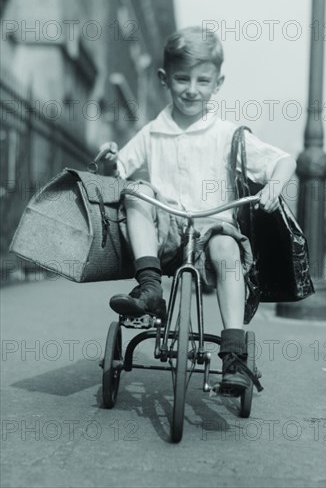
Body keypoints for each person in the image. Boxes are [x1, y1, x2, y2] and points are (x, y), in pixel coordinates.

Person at [100, 26, 296, 393]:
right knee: (136, 190)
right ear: (164, 79)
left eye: (202, 80)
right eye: (182, 78)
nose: (192, 89)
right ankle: (150, 287)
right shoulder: (152, 133)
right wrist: (110, 162)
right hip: (166, 235)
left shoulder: (226, 133)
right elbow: (119, 173)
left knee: (227, 250)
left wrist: (274, 185)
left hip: (212, 230)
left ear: (217, 83)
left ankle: (234, 352)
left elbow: (283, 161)